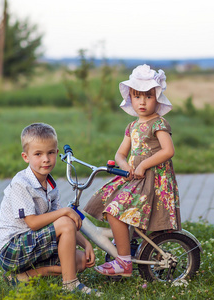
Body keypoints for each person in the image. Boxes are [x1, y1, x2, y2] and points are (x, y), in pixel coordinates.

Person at [84, 64, 181, 277]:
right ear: (130, 98)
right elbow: (120, 154)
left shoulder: (159, 124)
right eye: (137, 97)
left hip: (152, 180)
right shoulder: (132, 126)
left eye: (148, 96)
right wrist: (125, 166)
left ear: (157, 98)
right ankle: (126, 244)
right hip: (135, 178)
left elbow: (168, 150)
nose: (142, 102)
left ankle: (124, 261)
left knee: (115, 211)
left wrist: (144, 165)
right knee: (108, 202)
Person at [0, 123, 98, 295]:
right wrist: (65, 211)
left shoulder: (50, 184)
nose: (46, 159)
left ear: (57, 153)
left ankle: (24, 276)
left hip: (33, 244)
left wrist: (86, 244)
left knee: (80, 261)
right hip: (12, 249)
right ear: (25, 157)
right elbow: (33, 223)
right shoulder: (22, 183)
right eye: (38, 154)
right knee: (65, 221)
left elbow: (66, 224)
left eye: (50, 152)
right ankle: (71, 284)